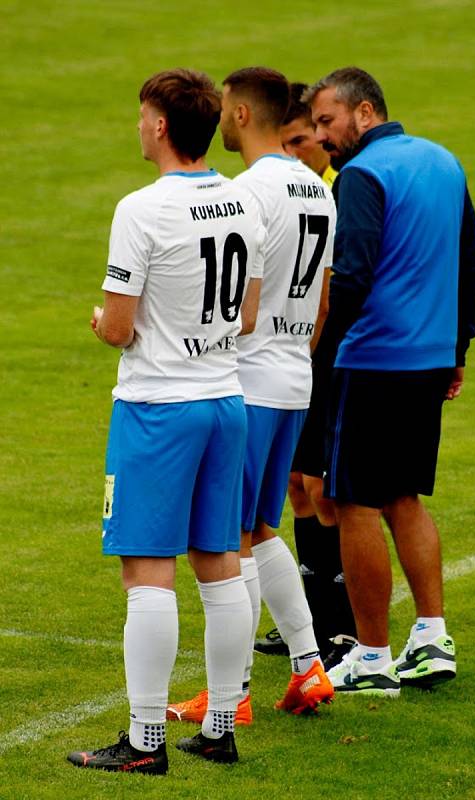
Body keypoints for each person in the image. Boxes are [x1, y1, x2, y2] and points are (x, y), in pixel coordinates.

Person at [66, 68, 266, 773]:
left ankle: (146, 741)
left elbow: (119, 329)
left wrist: (102, 324)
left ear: (158, 126)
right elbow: (245, 317)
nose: (138, 125)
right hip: (225, 402)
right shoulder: (244, 202)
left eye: (142, 114)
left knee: (147, 569)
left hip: (159, 408)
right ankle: (219, 727)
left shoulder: (141, 209)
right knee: (220, 565)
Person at [303, 67, 475, 694]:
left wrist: (321, 358)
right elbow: (473, 265)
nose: (322, 136)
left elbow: (351, 276)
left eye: (327, 121)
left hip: (373, 359)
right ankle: (432, 637)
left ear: (365, 111)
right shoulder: (444, 161)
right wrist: (457, 346)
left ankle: (374, 656)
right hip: (428, 359)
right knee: (404, 497)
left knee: (353, 502)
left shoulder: (361, 174)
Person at [167, 67, 336, 723]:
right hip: (295, 378)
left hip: (248, 382)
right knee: (261, 530)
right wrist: (294, 353)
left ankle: (230, 695)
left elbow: (235, 303)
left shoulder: (244, 193)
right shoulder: (318, 191)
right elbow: (322, 302)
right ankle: (308, 666)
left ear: (239, 114)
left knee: (224, 538)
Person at [255, 82, 357, 668]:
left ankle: (339, 626)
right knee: (294, 485)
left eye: (306, 139)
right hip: (299, 361)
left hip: (325, 359)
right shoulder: (303, 191)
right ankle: (311, 619)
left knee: (320, 489)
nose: (301, 149)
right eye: (290, 140)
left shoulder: (333, 193)